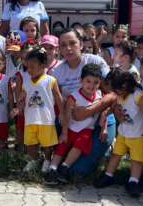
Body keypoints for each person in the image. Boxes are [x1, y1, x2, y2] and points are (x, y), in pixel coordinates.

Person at [52, 28, 114, 176]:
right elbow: (59, 102)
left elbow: (113, 94)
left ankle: (105, 151)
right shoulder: (57, 72)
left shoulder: (95, 61)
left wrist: (90, 111)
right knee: (70, 165)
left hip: (101, 118)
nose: (68, 48)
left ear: (80, 44)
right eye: (63, 45)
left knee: (80, 171)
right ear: (59, 49)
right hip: (72, 122)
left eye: (72, 43)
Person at [92, 68, 143, 197]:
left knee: (137, 160)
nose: (116, 93)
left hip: (138, 135)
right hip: (123, 132)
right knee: (116, 154)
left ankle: (133, 182)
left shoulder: (138, 95)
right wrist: (109, 117)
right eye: (114, 90)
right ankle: (108, 176)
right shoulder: (119, 94)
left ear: (126, 85)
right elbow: (114, 107)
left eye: (118, 90)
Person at [46, 64, 106, 185]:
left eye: (96, 82)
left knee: (80, 145)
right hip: (71, 127)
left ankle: (64, 167)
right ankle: (52, 169)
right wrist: (64, 132)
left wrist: (104, 129)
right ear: (81, 81)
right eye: (88, 81)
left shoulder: (99, 96)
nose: (91, 85)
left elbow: (104, 113)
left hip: (86, 129)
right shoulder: (74, 97)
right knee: (62, 145)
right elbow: (67, 115)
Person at [18, 48, 66, 172]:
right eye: (27, 67)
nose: (29, 70)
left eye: (32, 67)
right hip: (30, 119)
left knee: (47, 144)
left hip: (46, 119)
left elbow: (58, 98)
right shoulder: (26, 81)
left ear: (43, 65)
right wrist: (19, 105)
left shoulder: (51, 80)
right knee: (30, 144)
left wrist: (62, 113)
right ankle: (34, 160)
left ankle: (47, 160)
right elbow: (22, 97)